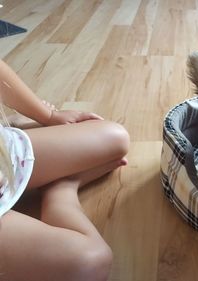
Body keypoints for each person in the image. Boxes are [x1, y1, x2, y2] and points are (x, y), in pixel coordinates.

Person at [0, 59, 129, 281]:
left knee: (116, 138)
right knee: (89, 262)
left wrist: (48, 116)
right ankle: (61, 188)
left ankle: (11, 125)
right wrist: (65, 186)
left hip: (4, 153)